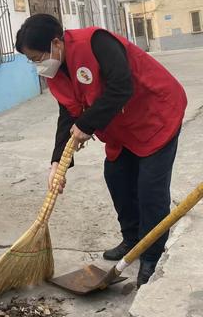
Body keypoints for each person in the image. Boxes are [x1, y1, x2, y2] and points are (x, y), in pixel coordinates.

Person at [15, 14, 187, 287]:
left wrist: (87, 124)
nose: (37, 65)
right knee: (116, 177)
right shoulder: (57, 73)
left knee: (150, 191)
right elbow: (67, 115)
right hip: (121, 126)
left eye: (37, 58)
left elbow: (121, 86)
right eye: (31, 61)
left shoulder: (95, 42)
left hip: (155, 115)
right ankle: (132, 241)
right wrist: (57, 162)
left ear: (56, 43)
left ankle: (151, 255)